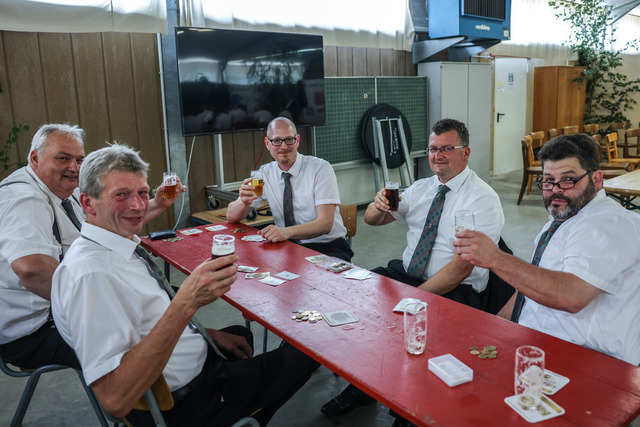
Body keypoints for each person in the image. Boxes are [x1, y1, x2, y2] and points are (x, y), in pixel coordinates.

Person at [51, 144, 318, 426]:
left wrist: (206, 335)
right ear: (88, 203)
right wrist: (186, 303)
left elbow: (144, 321)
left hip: (184, 372)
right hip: (186, 404)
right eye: (121, 195)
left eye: (142, 193)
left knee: (239, 336)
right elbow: (115, 401)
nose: (138, 205)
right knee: (308, 353)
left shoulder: (112, 247)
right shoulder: (91, 275)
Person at [320, 118, 504, 419]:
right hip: (408, 275)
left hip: (457, 288)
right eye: (432, 149)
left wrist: (414, 297)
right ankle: (364, 386)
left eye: (447, 148)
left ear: (466, 152)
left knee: (416, 329)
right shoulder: (421, 188)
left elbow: (461, 268)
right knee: (359, 297)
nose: (437, 155)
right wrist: (378, 205)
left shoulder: (482, 199)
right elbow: (372, 221)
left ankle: (410, 408)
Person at [0, 123, 182, 370]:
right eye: (63, 158)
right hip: (35, 332)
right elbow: (31, 269)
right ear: (35, 158)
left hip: (69, 303)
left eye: (79, 160)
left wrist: (158, 203)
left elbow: (113, 221)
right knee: (151, 333)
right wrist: (99, 300)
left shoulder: (68, 189)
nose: (74, 167)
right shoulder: (25, 199)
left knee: (167, 298)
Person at [455, 134, 640, 366]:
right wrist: (495, 328)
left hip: (588, 362)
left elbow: (572, 296)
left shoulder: (608, 223)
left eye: (568, 180)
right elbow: (531, 287)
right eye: (549, 180)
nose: (555, 190)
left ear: (597, 179)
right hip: (537, 345)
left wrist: (495, 258)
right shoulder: (565, 217)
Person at [227, 117, 353, 261]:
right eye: (276, 140)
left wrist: (286, 232)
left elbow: (325, 224)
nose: (283, 146)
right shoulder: (264, 174)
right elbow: (231, 216)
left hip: (327, 247)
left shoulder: (320, 168)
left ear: (297, 140)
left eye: (289, 139)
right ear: (267, 143)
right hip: (287, 246)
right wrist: (244, 202)